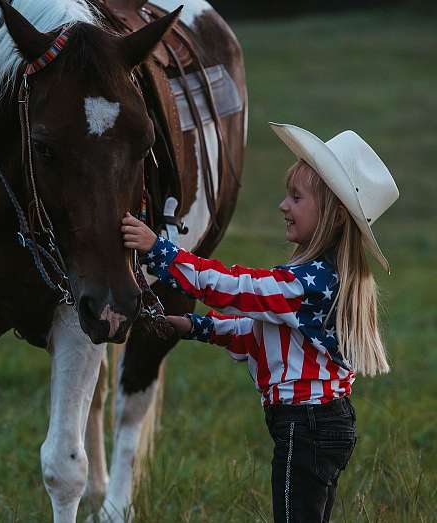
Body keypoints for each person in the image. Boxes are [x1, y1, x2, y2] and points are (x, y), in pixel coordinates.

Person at [120, 122, 399, 523]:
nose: (283, 206)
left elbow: (235, 290)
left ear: (335, 216)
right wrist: (195, 326)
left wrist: (159, 250)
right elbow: (259, 334)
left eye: (296, 197)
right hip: (319, 422)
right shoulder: (320, 278)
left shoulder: (307, 283)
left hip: (305, 426)